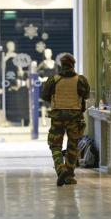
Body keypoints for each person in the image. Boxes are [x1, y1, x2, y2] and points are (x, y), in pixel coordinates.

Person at [41, 53, 90, 187]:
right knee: (73, 146)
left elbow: (45, 95)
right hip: (75, 118)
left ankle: (60, 168)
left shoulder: (53, 80)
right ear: (73, 65)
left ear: (61, 66)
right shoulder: (81, 80)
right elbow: (86, 95)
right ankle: (68, 175)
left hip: (57, 117)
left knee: (55, 145)